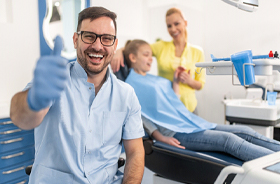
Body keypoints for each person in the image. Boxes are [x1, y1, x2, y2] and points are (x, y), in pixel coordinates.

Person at [10, 7, 145, 184]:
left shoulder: (126, 95)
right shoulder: (55, 80)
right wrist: (34, 99)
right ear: (75, 40)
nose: (97, 46)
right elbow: (20, 117)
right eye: (89, 36)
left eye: (106, 39)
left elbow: (135, 151)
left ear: (115, 44)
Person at [122, 39, 280, 161]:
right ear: (132, 57)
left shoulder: (155, 79)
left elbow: (173, 102)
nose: (150, 58)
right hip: (175, 132)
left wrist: (176, 82)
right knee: (229, 140)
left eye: (151, 55)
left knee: (245, 131)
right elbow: (141, 117)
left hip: (189, 123)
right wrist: (160, 137)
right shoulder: (130, 85)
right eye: (145, 55)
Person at [111, 7, 205, 113]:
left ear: (185, 23)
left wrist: (190, 81)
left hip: (189, 107)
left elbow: (201, 84)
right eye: (169, 26)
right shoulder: (160, 46)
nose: (173, 29)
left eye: (176, 23)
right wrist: (119, 50)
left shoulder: (197, 52)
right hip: (166, 107)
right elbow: (138, 48)